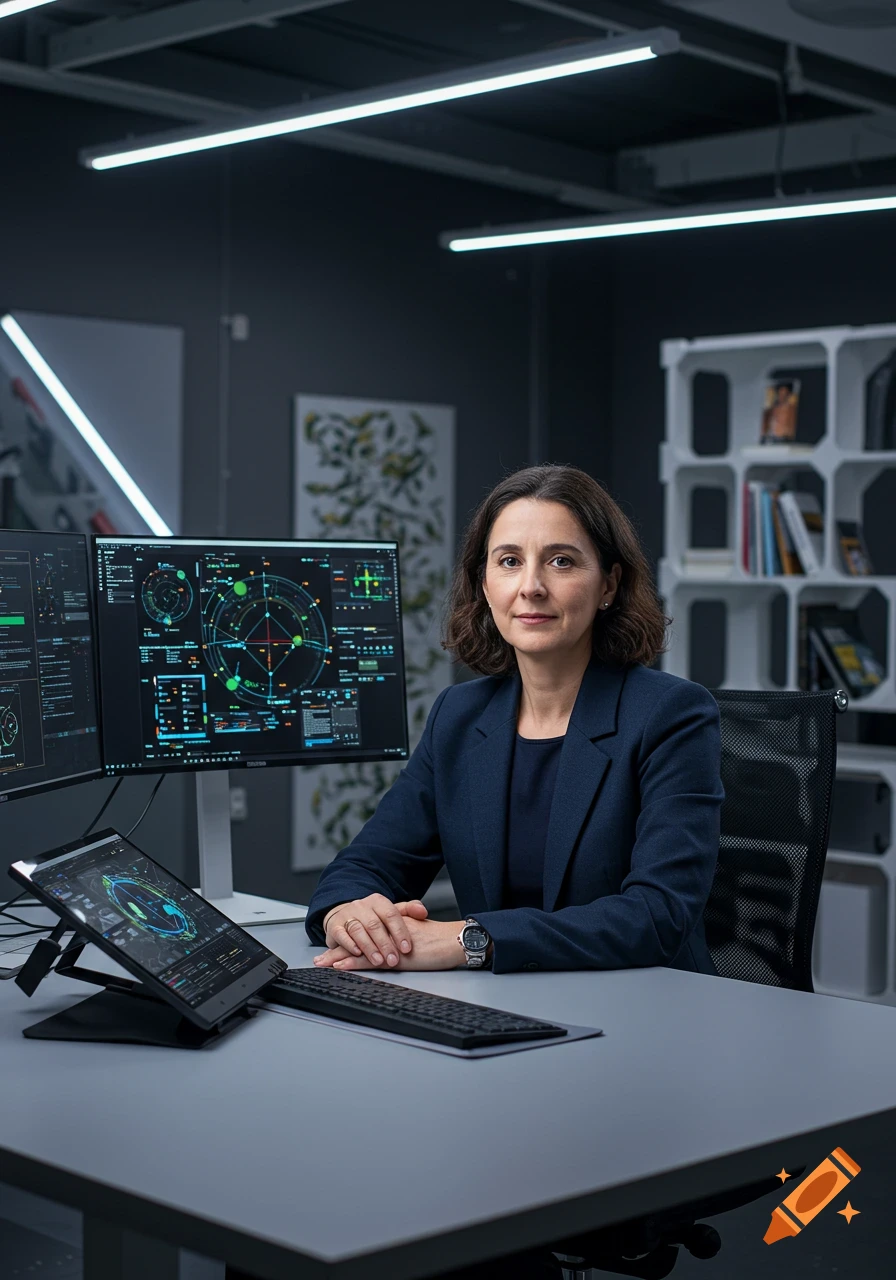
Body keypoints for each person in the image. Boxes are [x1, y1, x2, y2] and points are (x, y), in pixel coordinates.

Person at [305, 463, 724, 979]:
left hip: (646, 1002)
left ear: (609, 584)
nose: (531, 587)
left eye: (561, 561)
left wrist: (467, 939)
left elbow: (658, 916)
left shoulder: (671, 714)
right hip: (504, 1003)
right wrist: (347, 913)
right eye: (509, 561)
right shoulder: (459, 716)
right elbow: (366, 864)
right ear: (484, 583)